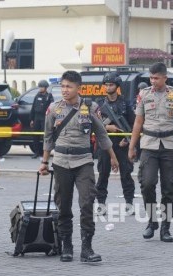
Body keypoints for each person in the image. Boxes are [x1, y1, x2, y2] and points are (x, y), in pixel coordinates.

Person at [39, 70, 119, 263]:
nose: (65, 90)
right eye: (63, 86)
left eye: (69, 86)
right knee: (63, 205)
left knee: (86, 203)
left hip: (84, 162)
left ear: (79, 88)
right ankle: (67, 245)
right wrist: (44, 162)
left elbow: (102, 134)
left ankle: (87, 248)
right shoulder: (54, 109)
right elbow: (48, 137)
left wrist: (113, 157)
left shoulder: (90, 107)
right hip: (61, 163)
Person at [128, 62, 173, 243]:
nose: (153, 81)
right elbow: (138, 122)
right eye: (151, 78)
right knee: (147, 184)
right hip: (149, 145)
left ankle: (165, 228)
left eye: (156, 78)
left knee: (168, 188)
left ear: (165, 77)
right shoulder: (143, 94)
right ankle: (152, 222)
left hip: (169, 146)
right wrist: (131, 146)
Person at [95, 72, 135, 215]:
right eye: (106, 85)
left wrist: (128, 139)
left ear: (117, 86)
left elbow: (133, 123)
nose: (108, 87)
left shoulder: (125, 103)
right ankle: (101, 204)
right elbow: (93, 123)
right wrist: (107, 127)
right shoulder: (99, 104)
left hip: (122, 144)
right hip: (104, 143)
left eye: (111, 85)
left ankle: (129, 203)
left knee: (126, 175)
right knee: (103, 174)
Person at [30, 79, 54, 159]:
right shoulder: (37, 96)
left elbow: (52, 108)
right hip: (37, 117)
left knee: (45, 136)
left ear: (46, 88)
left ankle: (45, 153)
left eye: (42, 87)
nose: (40, 88)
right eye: (39, 87)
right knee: (35, 136)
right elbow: (33, 107)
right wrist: (32, 119)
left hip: (45, 117)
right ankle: (36, 152)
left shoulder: (49, 96)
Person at [134, 82, 148, 162]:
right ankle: (136, 156)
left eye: (143, 89)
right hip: (137, 123)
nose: (141, 91)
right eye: (140, 89)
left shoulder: (149, 99)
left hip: (146, 123)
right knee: (136, 140)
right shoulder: (135, 100)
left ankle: (142, 156)